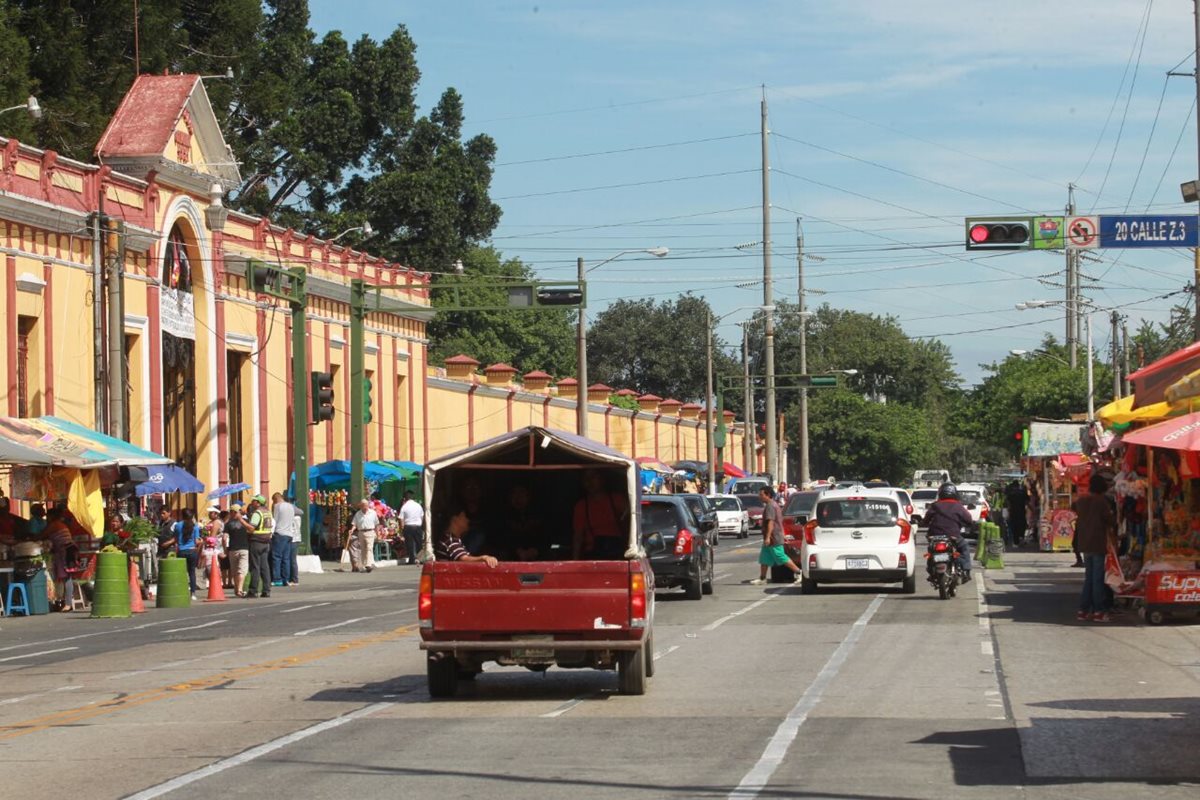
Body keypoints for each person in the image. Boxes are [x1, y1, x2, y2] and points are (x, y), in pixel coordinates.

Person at [1073, 473, 1117, 622]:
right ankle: (1099, 611)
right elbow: (1109, 520)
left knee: (1089, 578)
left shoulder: (1081, 501)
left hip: (1085, 543)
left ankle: (1083, 610)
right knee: (1097, 579)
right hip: (1097, 543)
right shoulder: (1101, 502)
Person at [750, 485, 803, 585]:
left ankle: (799, 572)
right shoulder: (773, 504)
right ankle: (762, 578)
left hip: (773, 537)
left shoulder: (770, 506)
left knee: (780, 556)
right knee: (764, 558)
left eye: (761, 495)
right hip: (772, 536)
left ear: (768, 495)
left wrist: (768, 537)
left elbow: (770, 522)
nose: (760, 497)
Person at [572, 469, 629, 559]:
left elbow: (630, 523)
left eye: (593, 476)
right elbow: (578, 536)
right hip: (593, 554)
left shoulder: (618, 500)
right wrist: (574, 561)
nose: (589, 481)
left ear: (602, 479)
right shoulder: (581, 506)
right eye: (586, 479)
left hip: (617, 553)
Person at [923, 482, 974, 582]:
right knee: (964, 548)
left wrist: (923, 523)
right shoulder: (958, 506)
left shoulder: (935, 505)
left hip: (934, 537)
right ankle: (966, 571)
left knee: (931, 552)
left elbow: (926, 520)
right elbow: (969, 520)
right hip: (953, 536)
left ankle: (931, 571)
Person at [44, 507, 79, 612]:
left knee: (66, 578)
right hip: (67, 551)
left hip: (65, 552)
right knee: (65, 577)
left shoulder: (54, 525)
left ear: (52, 516)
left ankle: (68, 604)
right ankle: (65, 602)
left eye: (48, 516)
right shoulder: (61, 524)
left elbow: (41, 535)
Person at [506, 484, 544, 561]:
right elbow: (501, 538)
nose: (518, 497)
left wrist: (536, 550)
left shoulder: (538, 514)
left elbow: (546, 535)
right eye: (515, 493)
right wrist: (517, 551)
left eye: (521, 493)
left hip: (539, 559)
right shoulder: (504, 516)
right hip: (510, 559)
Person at [244, 495, 272, 598]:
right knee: (264, 567)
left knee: (254, 567)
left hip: (256, 541)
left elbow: (251, 528)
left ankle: (253, 590)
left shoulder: (257, 513)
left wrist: (241, 520)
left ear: (258, 503)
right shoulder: (267, 512)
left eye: (254, 501)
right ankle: (266, 589)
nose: (252, 502)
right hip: (266, 542)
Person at [172, 508, 201, 597]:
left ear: (182, 516)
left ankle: (182, 590)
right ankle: (193, 593)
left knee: (182, 572)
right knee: (192, 572)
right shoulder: (195, 526)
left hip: (181, 551)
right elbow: (197, 541)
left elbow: (176, 539)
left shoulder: (177, 525)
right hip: (192, 551)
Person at [270, 492, 297, 586]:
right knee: (286, 558)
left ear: (275, 499)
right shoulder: (291, 506)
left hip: (280, 533)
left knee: (276, 557)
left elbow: (275, 520)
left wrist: (272, 532)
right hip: (289, 534)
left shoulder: (278, 506)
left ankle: (277, 579)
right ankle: (286, 579)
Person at [224, 503, 251, 597]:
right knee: (242, 570)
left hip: (232, 549)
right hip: (244, 548)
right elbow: (251, 530)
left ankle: (237, 589)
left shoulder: (228, 524)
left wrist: (225, 549)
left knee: (235, 571)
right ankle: (239, 589)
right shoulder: (246, 521)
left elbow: (224, 538)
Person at [346, 498, 379, 573]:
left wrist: (377, 533)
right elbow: (354, 524)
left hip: (370, 532)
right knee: (363, 549)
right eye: (362, 505)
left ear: (368, 505)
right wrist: (352, 529)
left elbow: (376, 524)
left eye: (365, 505)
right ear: (360, 506)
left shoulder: (373, 513)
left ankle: (368, 564)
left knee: (369, 548)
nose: (364, 507)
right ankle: (365, 565)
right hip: (361, 532)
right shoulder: (358, 514)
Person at [399, 490, 425, 565]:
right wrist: (421, 525)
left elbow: (401, 519)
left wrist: (402, 529)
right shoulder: (418, 505)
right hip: (417, 526)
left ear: (405, 498)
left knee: (409, 544)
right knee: (419, 543)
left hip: (408, 526)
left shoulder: (404, 506)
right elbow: (422, 516)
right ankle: (420, 559)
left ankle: (412, 560)